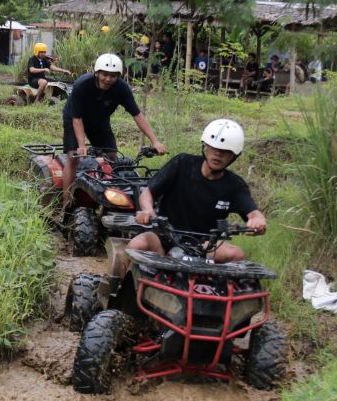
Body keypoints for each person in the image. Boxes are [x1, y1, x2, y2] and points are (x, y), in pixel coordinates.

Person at [129, 119, 266, 263]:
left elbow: (252, 212)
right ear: (205, 147)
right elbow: (148, 193)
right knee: (137, 244)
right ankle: (121, 277)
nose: (218, 154)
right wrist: (148, 211)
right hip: (163, 237)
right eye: (213, 148)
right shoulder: (182, 163)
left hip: (205, 246)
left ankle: (214, 278)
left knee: (236, 254)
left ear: (234, 156)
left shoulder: (235, 185)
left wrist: (258, 221)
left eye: (225, 151)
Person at [61, 53, 166, 193]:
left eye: (113, 75)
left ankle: (107, 194)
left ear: (118, 76)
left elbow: (137, 115)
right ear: (97, 73)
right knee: (73, 157)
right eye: (104, 74)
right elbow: (77, 118)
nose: (108, 79)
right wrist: (81, 145)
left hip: (100, 120)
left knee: (111, 156)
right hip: (74, 117)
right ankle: (67, 201)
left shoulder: (122, 89)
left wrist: (155, 141)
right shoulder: (82, 85)